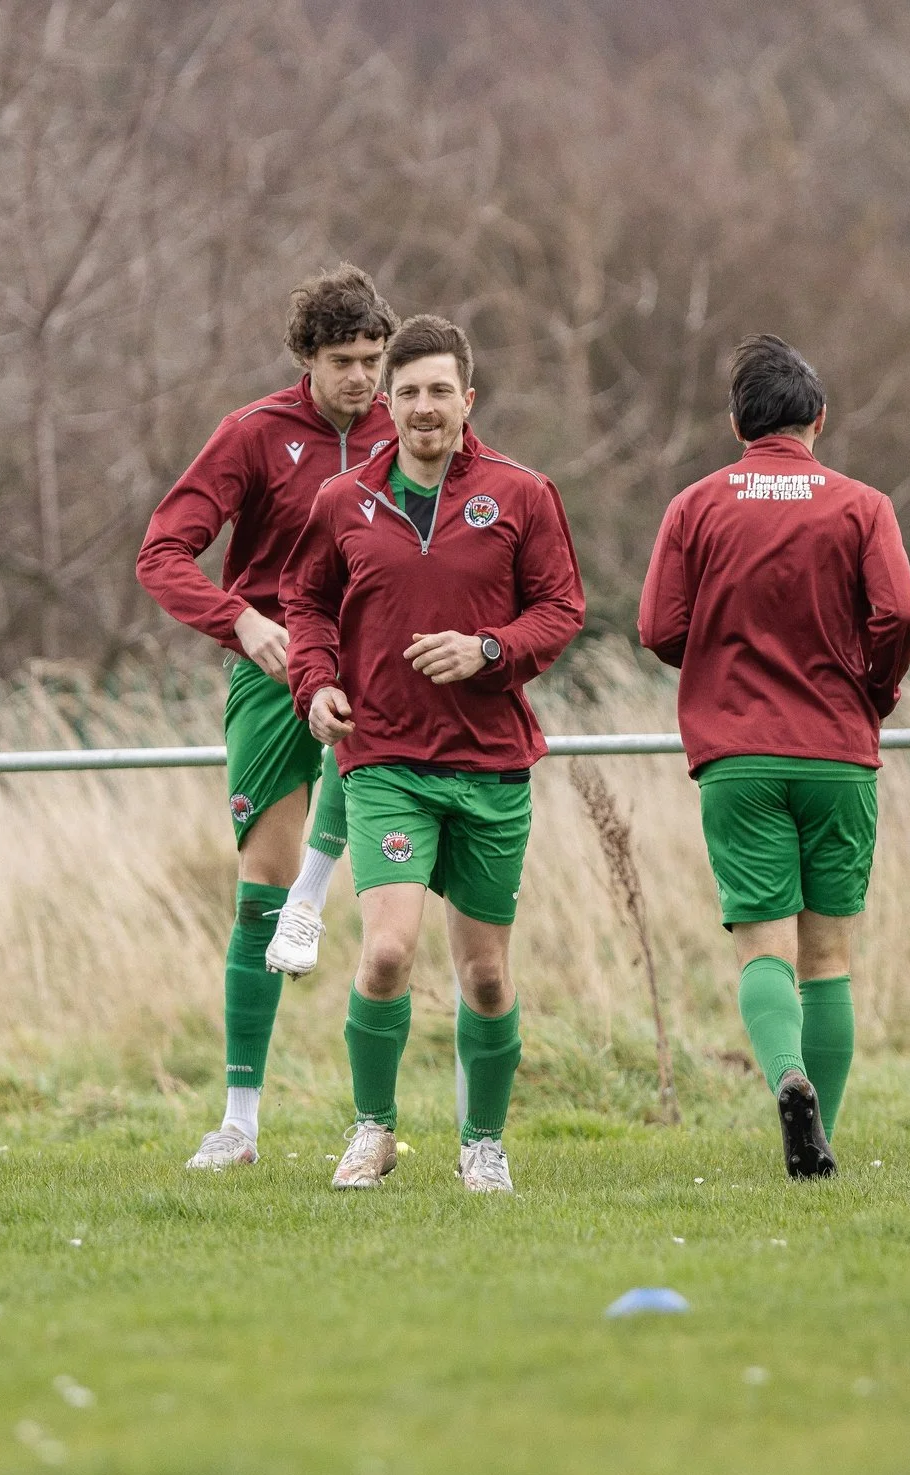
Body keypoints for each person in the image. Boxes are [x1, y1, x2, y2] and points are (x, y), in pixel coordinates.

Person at [283, 314, 584, 1194]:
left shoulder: (523, 494)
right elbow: (306, 606)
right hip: (384, 764)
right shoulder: (343, 502)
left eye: (439, 390)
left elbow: (560, 611)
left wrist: (488, 650)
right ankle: (371, 1130)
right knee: (385, 954)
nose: (423, 406)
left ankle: (482, 1142)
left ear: (467, 400)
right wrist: (317, 685)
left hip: (491, 767)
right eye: (407, 391)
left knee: (486, 977)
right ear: (388, 401)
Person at [638, 336, 910, 1179]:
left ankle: (786, 1079)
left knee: (763, 947)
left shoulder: (695, 506)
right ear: (820, 420)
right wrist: (874, 687)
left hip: (736, 756)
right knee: (828, 957)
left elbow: (657, 629)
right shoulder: (862, 505)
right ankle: (819, 1139)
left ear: (735, 423)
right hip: (837, 750)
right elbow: (902, 614)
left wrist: (720, 665)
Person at [136, 267, 399, 1171]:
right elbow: (162, 554)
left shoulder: (409, 431)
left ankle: (392, 1120)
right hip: (275, 666)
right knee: (261, 888)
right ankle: (239, 1122)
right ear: (305, 359)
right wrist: (239, 621)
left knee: (405, 899)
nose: (362, 378)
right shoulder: (252, 436)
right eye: (343, 361)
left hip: (378, 668)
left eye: (374, 359)